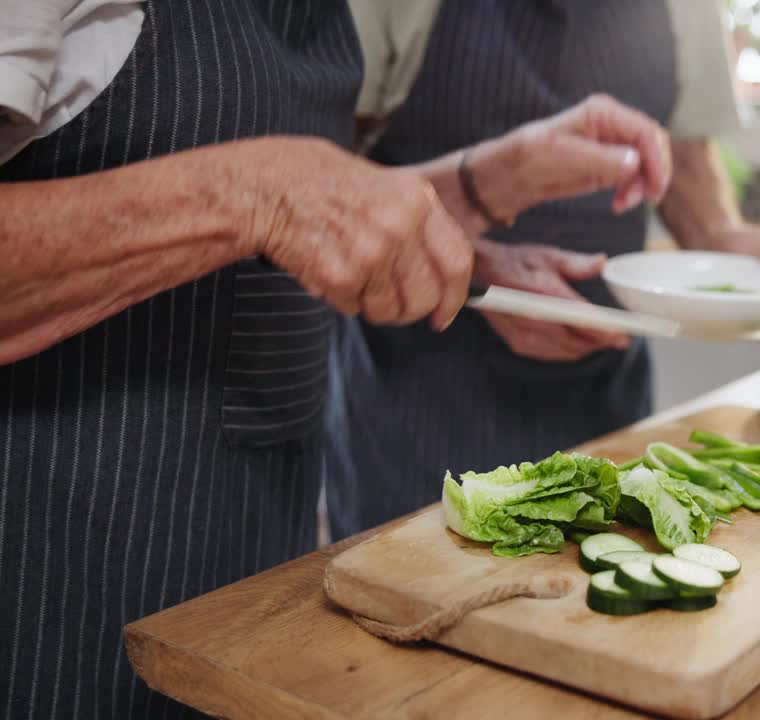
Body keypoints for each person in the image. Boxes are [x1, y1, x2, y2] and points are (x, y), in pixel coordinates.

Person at [0, 2, 669, 717]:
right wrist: (256, 193)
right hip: (53, 583)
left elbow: (294, 217)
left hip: (246, 567)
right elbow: (267, 196)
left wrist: (487, 188)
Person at [325, 0, 760, 541]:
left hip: (606, 395)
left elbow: (687, 154)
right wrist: (473, 265)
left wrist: (718, 241)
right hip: (415, 396)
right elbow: (330, 179)